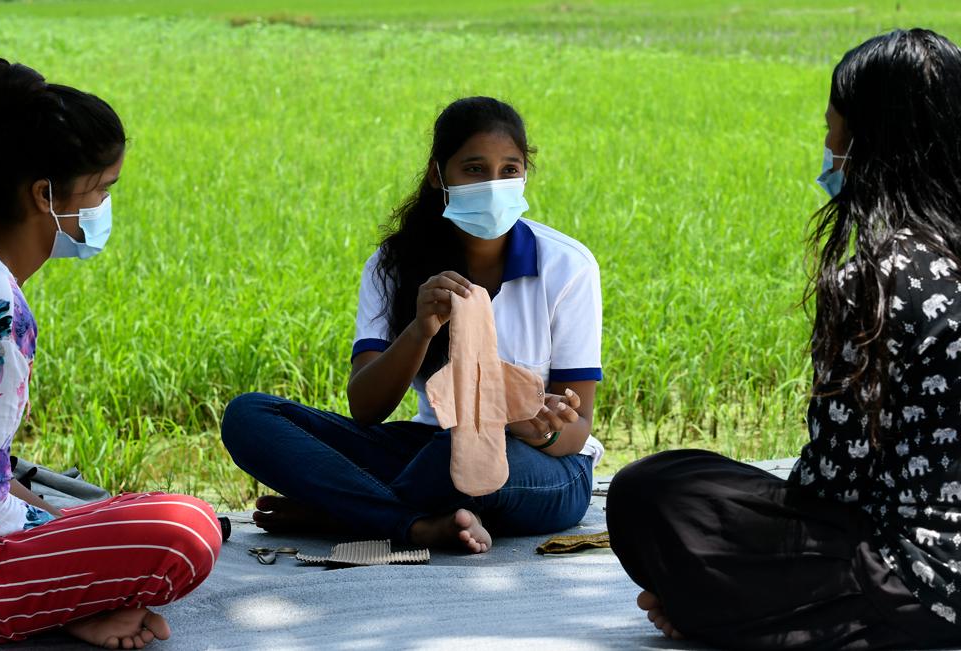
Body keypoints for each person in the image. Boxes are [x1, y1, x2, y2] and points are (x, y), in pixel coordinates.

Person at [606, 29, 961, 649]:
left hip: (920, 583)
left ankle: (734, 607)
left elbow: (834, 482)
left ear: (871, 142)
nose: (827, 146)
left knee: (655, 490)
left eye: (833, 127)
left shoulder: (875, 280)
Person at [222, 96, 603, 553]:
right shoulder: (394, 265)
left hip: (541, 465)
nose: (494, 185)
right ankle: (414, 523)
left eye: (509, 170)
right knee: (249, 416)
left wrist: (533, 425)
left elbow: (576, 428)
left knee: (456, 457)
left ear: (525, 174)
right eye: (475, 169)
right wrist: (421, 329)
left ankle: (341, 514)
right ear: (438, 175)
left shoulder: (567, 266)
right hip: (430, 447)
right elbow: (366, 409)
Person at [0, 58, 221, 648]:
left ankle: (61, 601)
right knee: (184, 528)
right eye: (101, 190)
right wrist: (68, 554)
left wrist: (66, 531)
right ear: (44, 195)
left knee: (101, 519)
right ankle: (39, 604)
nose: (104, 208)